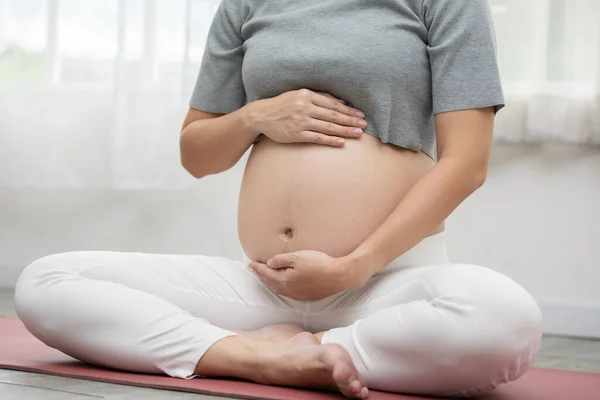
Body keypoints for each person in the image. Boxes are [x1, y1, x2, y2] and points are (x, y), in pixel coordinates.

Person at [14, 0, 543, 398]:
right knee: (47, 281)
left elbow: (465, 165)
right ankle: (257, 357)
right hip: (263, 283)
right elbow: (197, 155)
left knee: (505, 317)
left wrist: (355, 266)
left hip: (383, 281)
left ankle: (306, 351)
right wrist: (256, 116)